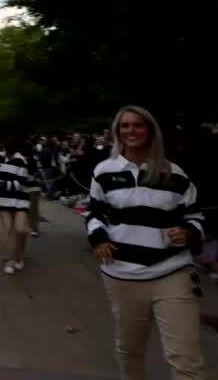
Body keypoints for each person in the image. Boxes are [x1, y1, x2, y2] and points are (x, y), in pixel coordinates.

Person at [85, 106, 205, 380]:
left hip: (172, 271)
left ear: (150, 130)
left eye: (138, 125)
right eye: (124, 126)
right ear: (117, 132)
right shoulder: (104, 171)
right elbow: (94, 212)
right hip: (122, 274)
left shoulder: (174, 173)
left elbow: (195, 216)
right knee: (130, 350)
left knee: (186, 358)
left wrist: (188, 232)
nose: (131, 131)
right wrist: (98, 238)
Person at [0, 135, 37, 274]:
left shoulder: (21, 160)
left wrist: (0, 183)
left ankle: (20, 256)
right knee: (9, 229)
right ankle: (10, 260)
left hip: (21, 199)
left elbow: (19, 183)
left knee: (21, 229)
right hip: (3, 199)